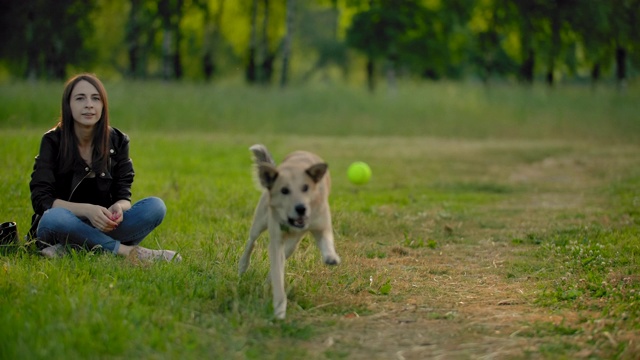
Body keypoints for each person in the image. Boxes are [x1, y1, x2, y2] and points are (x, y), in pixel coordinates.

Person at [29, 73, 181, 262]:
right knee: (55, 217)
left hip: (103, 224)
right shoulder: (52, 141)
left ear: (103, 106)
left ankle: (69, 249)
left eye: (95, 98)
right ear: (68, 105)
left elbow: (124, 197)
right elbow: (41, 200)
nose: (89, 104)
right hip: (60, 226)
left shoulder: (118, 141)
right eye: (80, 98)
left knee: (155, 207)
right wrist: (87, 210)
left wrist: (118, 207)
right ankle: (127, 252)